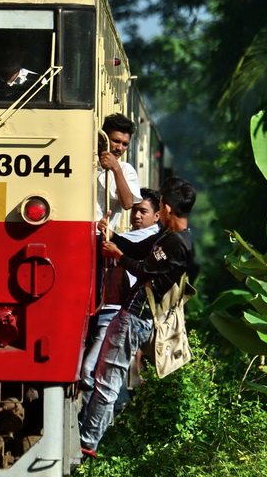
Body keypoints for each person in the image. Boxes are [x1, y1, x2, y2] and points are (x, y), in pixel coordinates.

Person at [79, 177, 196, 456]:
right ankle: (88, 437)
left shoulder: (178, 243)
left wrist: (117, 255)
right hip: (131, 314)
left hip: (137, 317)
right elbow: (136, 250)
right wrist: (110, 236)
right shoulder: (167, 236)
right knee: (104, 374)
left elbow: (144, 269)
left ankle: (88, 442)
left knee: (108, 379)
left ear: (166, 209)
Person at [78, 188, 162, 408]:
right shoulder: (143, 236)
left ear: (157, 216)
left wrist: (107, 234)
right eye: (134, 210)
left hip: (117, 309)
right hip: (114, 309)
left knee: (93, 370)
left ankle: (88, 422)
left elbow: (120, 244)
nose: (137, 215)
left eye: (143, 211)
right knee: (104, 369)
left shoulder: (149, 237)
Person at [95, 113, 141, 232]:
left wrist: (116, 169)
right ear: (103, 139)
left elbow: (127, 204)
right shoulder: (86, 163)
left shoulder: (126, 170)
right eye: (116, 141)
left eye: (125, 144)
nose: (120, 148)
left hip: (103, 236)